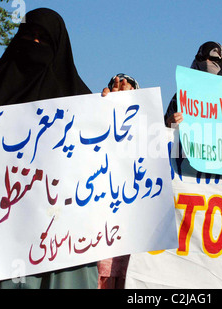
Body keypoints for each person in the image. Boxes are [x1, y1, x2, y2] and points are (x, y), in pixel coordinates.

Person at [0, 8, 97, 289]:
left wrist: (113, 111)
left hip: (62, 239)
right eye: (29, 35)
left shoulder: (80, 101)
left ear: (58, 47)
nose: (35, 44)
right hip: (2, 234)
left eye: (43, 39)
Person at [98, 73, 139, 289]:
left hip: (132, 250)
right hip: (96, 245)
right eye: (117, 86)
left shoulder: (149, 130)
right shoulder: (94, 124)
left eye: (128, 87)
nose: (122, 88)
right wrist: (106, 112)